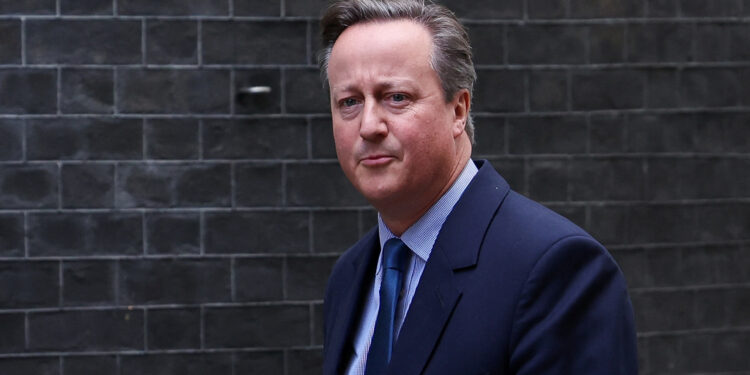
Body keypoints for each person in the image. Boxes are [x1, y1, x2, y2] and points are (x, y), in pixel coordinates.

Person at [318, 0, 638, 374]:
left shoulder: (556, 271)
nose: (369, 125)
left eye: (396, 97)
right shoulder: (350, 276)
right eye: (350, 102)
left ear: (459, 110)